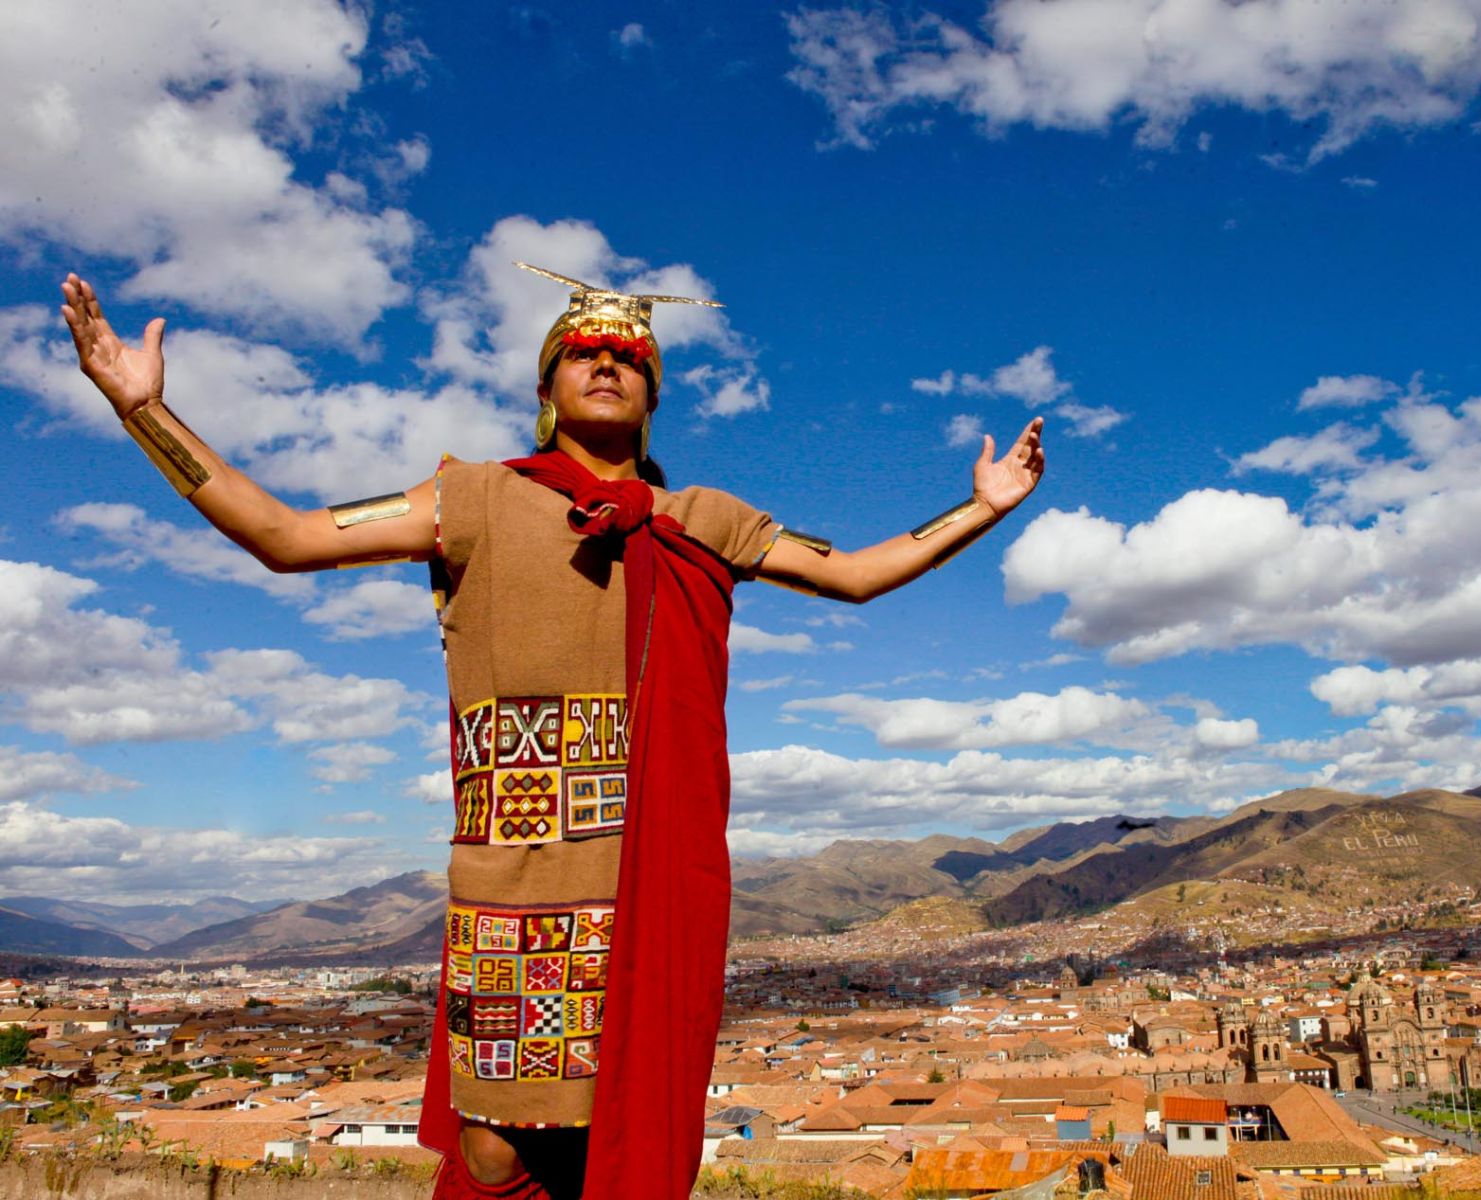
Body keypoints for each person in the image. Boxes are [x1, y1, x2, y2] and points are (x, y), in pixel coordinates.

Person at [60, 266, 1045, 1199]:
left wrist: (984, 507)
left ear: (653, 393)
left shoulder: (708, 520)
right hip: (517, 874)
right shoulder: (473, 498)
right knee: (492, 1145)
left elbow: (860, 572)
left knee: (622, 1146)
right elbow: (284, 535)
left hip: (654, 875)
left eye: (628, 356)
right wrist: (141, 409)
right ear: (548, 384)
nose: (606, 361)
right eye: (582, 350)